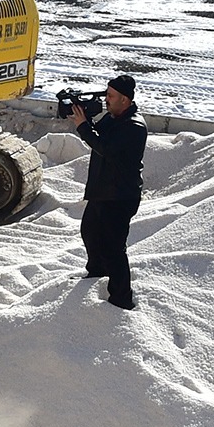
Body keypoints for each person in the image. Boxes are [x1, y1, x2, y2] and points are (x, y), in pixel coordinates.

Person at [70, 73, 148, 310]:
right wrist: (87, 116)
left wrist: (83, 126)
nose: (106, 99)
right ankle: (96, 274)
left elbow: (105, 147)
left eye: (110, 96)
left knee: (113, 248)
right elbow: (98, 134)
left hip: (120, 197)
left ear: (125, 99)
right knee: (90, 233)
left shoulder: (133, 126)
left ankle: (121, 298)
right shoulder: (114, 117)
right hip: (103, 192)